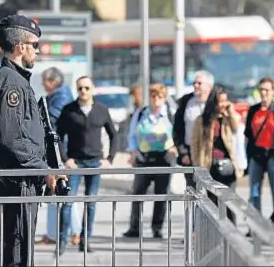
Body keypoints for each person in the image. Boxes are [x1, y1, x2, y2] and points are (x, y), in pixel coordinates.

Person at [0, 15, 67, 266]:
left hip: (21, 182)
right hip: (18, 184)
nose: (38, 52)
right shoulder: (11, 84)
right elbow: (13, 139)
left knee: (16, 251)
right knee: (17, 256)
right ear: (21, 47)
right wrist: (45, 170)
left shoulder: (13, 80)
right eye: (36, 45)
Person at [57, 75, 117, 255]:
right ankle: (62, 242)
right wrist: (65, 158)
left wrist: (109, 158)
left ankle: (86, 240)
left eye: (86, 88)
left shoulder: (102, 110)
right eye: (80, 88)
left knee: (90, 203)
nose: (83, 91)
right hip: (75, 163)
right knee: (67, 202)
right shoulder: (69, 110)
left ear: (93, 89)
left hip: (95, 162)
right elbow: (58, 135)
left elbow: (114, 135)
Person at [123, 83, 177, 238]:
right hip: (144, 158)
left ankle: (157, 228)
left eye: (160, 97)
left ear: (165, 98)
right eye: (153, 96)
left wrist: (174, 149)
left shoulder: (170, 115)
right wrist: (133, 151)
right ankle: (134, 227)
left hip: (164, 158)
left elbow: (177, 135)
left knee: (161, 194)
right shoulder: (141, 113)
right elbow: (132, 134)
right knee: (138, 193)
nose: (156, 100)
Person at [36, 67, 81, 246]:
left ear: (52, 81)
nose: (42, 85)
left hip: (60, 151)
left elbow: (51, 121)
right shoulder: (59, 96)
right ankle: (54, 234)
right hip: (56, 150)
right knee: (55, 190)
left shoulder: (61, 98)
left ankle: (75, 231)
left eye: (44, 81)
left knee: (63, 189)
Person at [190, 86, 242, 224]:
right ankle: (215, 235)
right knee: (212, 202)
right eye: (220, 102)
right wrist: (197, 165)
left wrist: (230, 110)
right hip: (209, 164)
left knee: (230, 201)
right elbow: (194, 144)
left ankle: (232, 235)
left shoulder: (227, 118)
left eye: (225, 101)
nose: (222, 105)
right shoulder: (202, 120)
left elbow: (236, 128)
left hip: (227, 165)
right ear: (213, 102)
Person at [244, 77, 274, 214]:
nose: (264, 93)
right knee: (254, 194)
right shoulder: (253, 110)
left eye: (267, 90)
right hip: (256, 154)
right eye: (261, 90)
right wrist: (247, 155)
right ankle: (255, 228)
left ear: (273, 91)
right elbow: (248, 134)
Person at [173, 70, 214, 188]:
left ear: (208, 86)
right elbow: (177, 129)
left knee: (212, 193)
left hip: (210, 153)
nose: (196, 86)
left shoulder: (215, 103)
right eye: (194, 83)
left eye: (199, 83)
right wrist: (182, 152)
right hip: (190, 152)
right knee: (192, 190)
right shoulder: (186, 102)